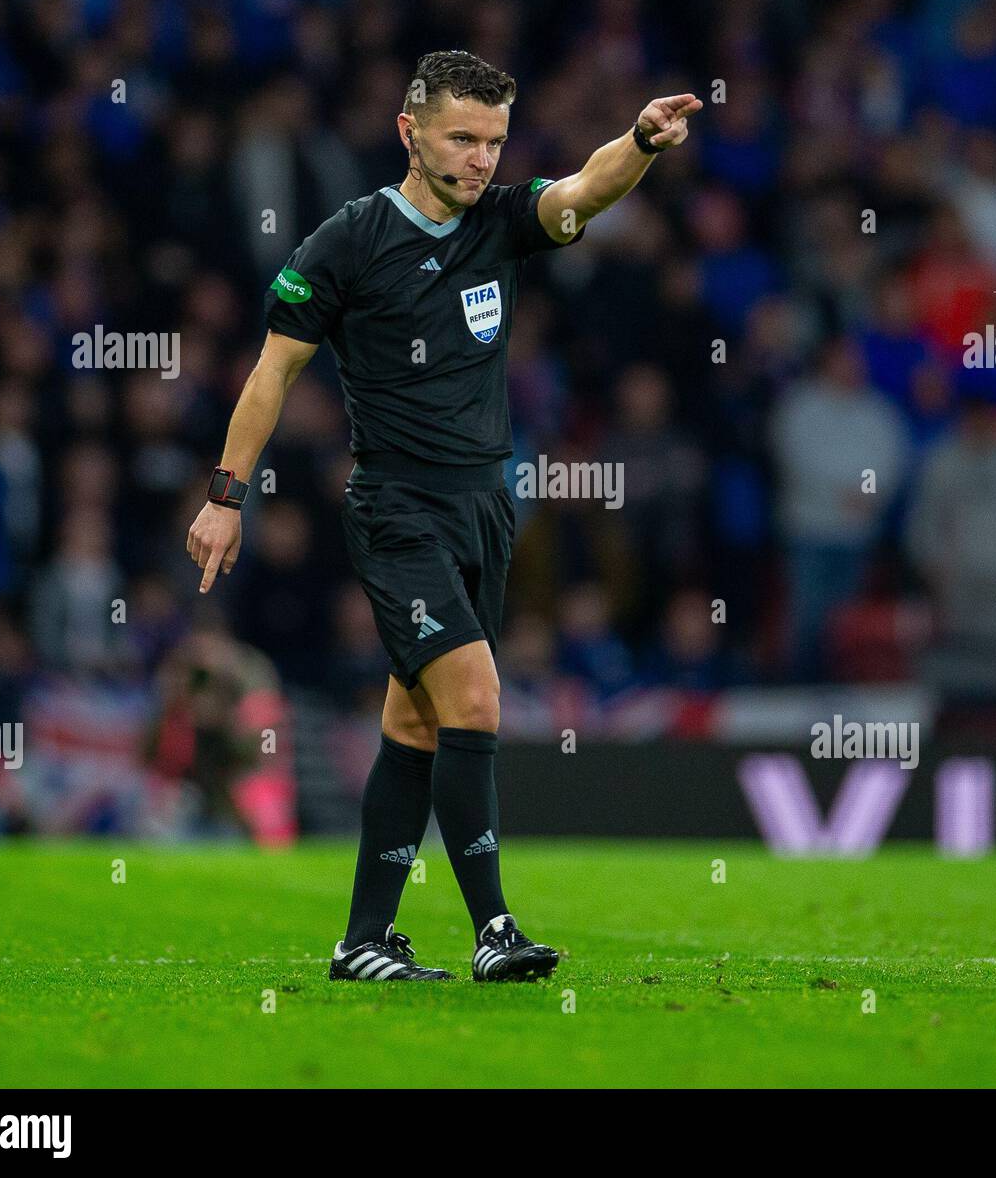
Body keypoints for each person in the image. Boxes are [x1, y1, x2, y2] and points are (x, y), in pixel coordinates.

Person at [186, 50, 701, 980]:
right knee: (476, 700)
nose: (479, 160)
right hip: (397, 509)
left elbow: (585, 186)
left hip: (485, 508)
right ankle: (495, 929)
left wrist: (641, 142)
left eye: (494, 142)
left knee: (417, 725)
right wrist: (226, 497)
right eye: (462, 138)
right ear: (409, 133)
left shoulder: (501, 223)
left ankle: (363, 941)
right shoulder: (345, 242)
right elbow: (271, 373)